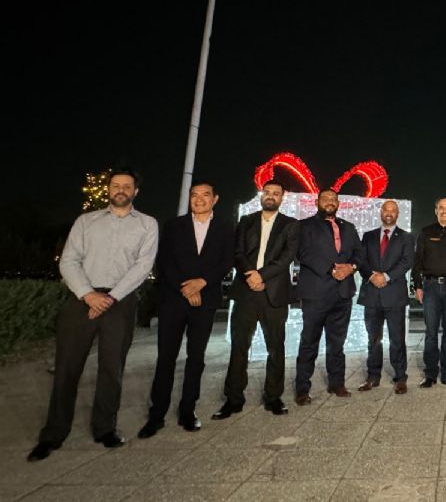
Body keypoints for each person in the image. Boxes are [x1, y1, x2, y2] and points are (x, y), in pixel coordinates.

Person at [28, 168, 158, 461]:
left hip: (120, 301)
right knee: (67, 368)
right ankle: (53, 434)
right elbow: (70, 260)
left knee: (112, 369)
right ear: (109, 189)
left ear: (135, 191)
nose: (120, 189)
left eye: (127, 186)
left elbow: (142, 266)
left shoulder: (148, 225)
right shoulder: (86, 221)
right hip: (81, 299)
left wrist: (111, 297)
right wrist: (88, 294)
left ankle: (104, 429)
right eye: (115, 185)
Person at [139, 180, 234, 438]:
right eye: (194, 195)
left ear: (215, 199)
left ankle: (187, 410)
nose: (199, 199)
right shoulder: (173, 226)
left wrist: (202, 283)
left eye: (205, 195)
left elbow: (226, 261)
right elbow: (164, 261)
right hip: (173, 299)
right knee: (166, 358)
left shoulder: (226, 228)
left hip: (205, 301)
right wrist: (186, 288)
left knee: (196, 358)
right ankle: (156, 414)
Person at [213, 179, 299, 420]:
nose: (271, 196)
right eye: (267, 192)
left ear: (283, 198)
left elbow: (287, 257)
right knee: (239, 348)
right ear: (262, 195)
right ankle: (233, 399)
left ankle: (273, 397)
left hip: (274, 294)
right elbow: (237, 252)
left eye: (276, 193)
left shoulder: (290, 225)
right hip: (246, 292)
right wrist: (251, 274)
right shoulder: (246, 221)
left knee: (276, 348)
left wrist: (261, 275)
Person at [294, 188, 363, 403]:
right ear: (317, 202)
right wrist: (332, 269)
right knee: (309, 342)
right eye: (326, 198)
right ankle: (303, 388)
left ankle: (337, 384)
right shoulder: (304, 226)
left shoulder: (349, 227)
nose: (330, 202)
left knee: (337, 343)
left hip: (342, 295)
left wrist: (351, 267)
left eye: (334, 199)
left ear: (338, 203)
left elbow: (360, 254)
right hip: (316, 294)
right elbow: (302, 253)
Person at [357, 200, 415, 394]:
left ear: (397, 214)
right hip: (372, 295)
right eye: (386, 210)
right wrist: (373, 276)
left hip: (394, 296)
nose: (389, 213)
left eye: (393, 210)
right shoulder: (369, 236)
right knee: (373, 339)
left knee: (397, 339)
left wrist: (386, 276)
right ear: (381, 212)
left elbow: (407, 262)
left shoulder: (406, 237)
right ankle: (373, 377)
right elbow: (361, 260)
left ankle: (400, 378)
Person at [413, 197, 446, 388]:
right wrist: (417, 286)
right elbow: (417, 261)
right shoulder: (426, 232)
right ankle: (430, 374)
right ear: (436, 211)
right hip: (431, 287)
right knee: (431, 333)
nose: (444, 211)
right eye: (441, 208)